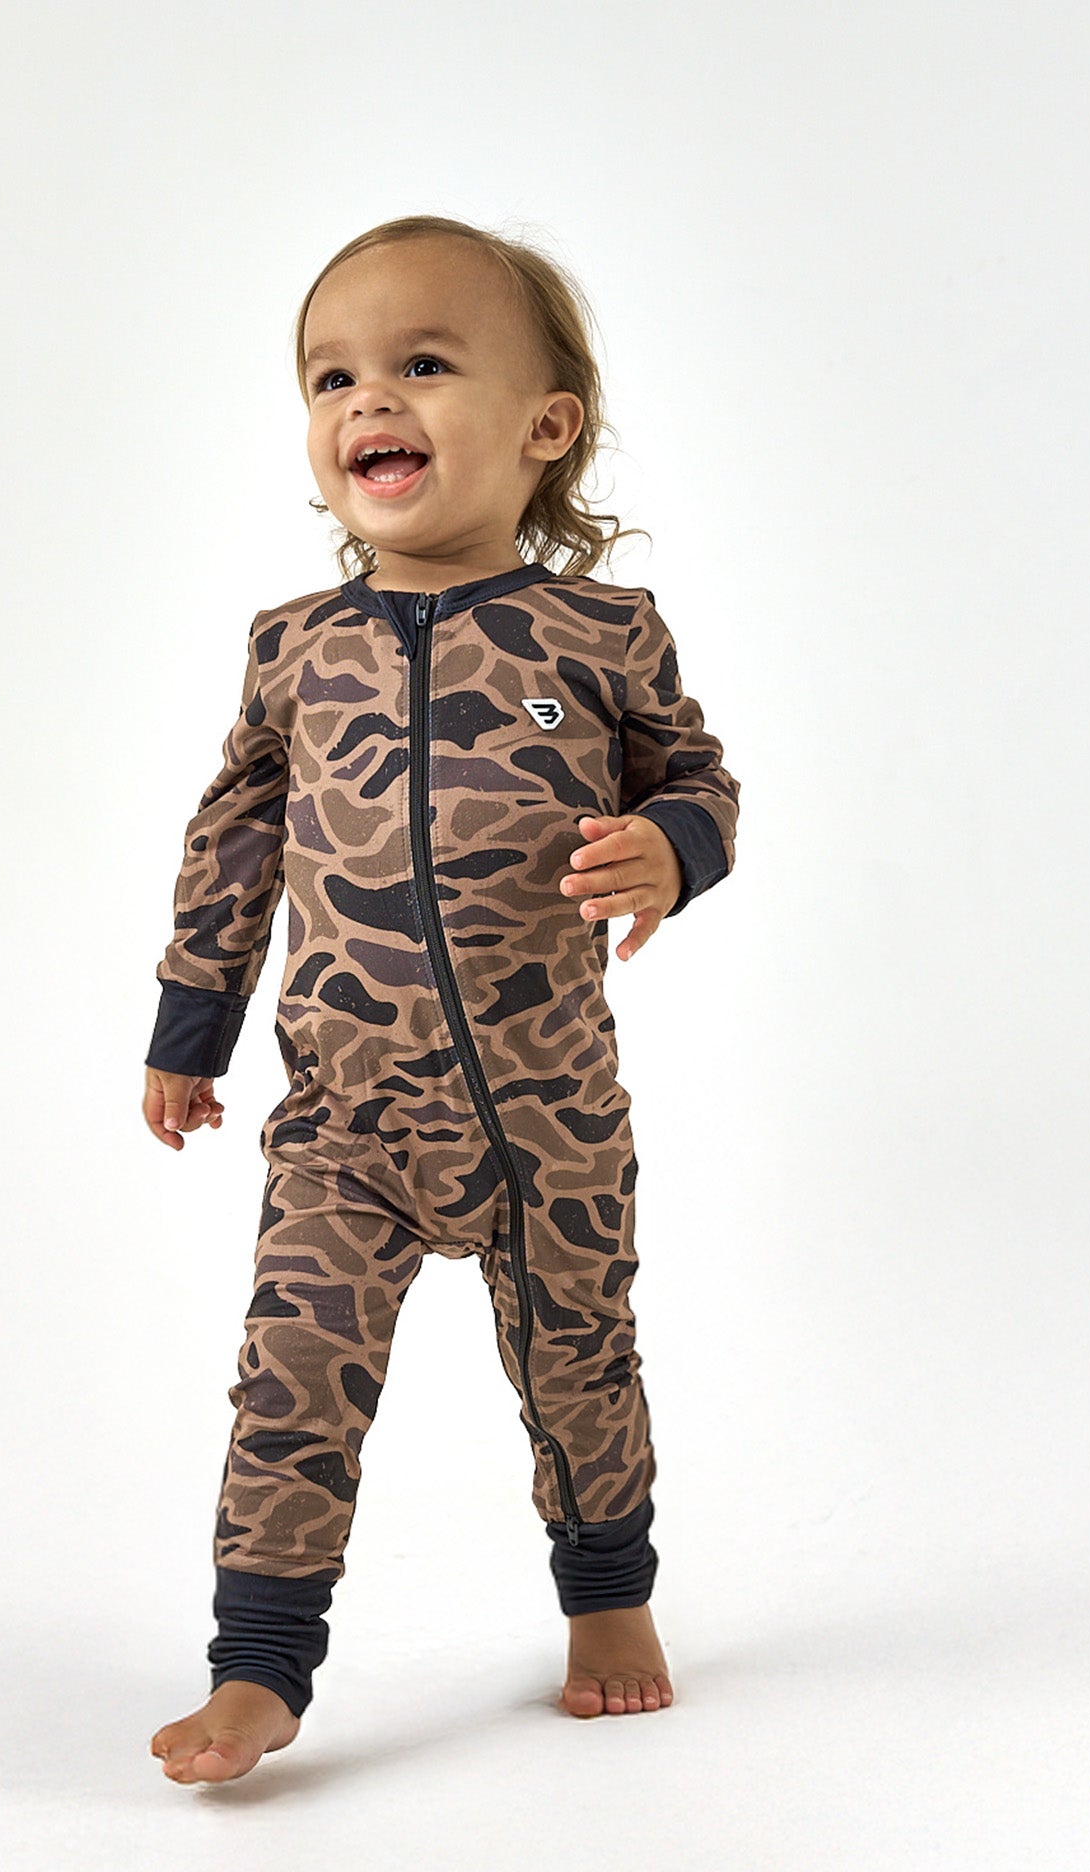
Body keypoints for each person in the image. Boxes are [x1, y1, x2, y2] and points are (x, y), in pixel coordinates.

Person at [143, 214, 742, 1784]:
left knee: (581, 1365)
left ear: (546, 428)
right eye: (331, 376)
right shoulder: (296, 650)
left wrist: (671, 850)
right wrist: (190, 1031)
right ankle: (259, 1667)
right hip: (348, 1121)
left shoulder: (602, 635)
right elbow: (233, 844)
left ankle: (609, 1603)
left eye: (421, 363)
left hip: (550, 1119)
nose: (369, 400)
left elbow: (699, 781)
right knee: (289, 1381)